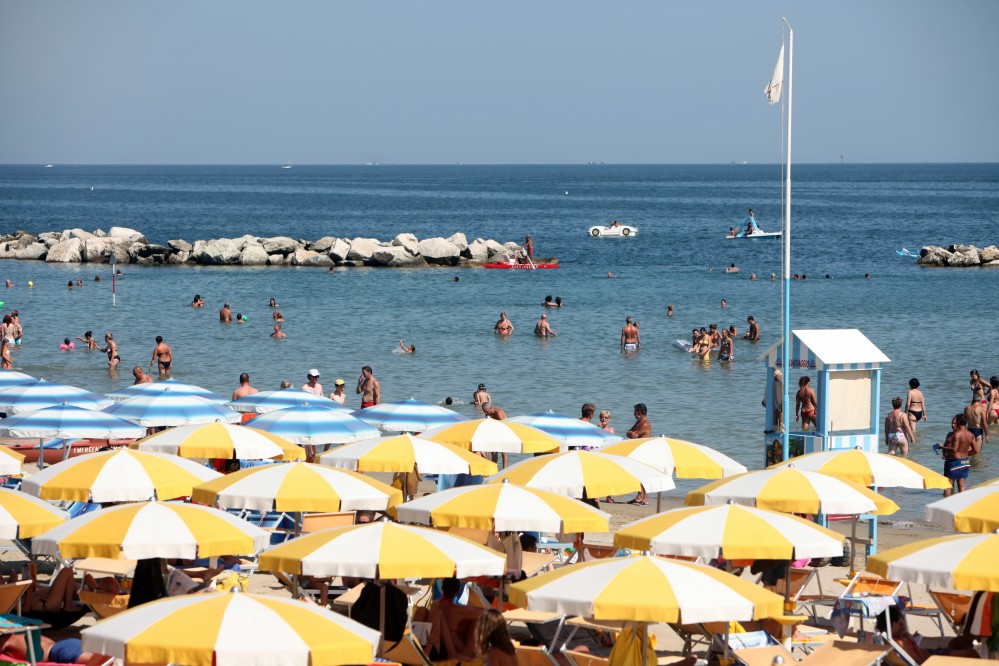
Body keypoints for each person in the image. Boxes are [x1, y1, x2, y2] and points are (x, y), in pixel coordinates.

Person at [940, 414, 978, 496]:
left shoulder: (957, 434)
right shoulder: (970, 435)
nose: (954, 424)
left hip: (954, 462)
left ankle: (946, 506)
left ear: (958, 422)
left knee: (947, 486)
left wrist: (942, 447)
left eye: (955, 421)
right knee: (962, 487)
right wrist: (964, 453)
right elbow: (975, 450)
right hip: (965, 462)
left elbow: (954, 449)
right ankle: (963, 506)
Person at [626, 404, 652, 505]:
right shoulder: (639, 422)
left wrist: (631, 434)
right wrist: (631, 433)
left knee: (644, 475)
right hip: (639, 451)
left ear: (639, 412)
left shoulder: (644, 424)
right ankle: (639, 496)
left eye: (635, 411)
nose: (633, 414)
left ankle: (645, 498)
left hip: (644, 451)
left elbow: (633, 434)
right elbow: (628, 433)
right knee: (639, 474)